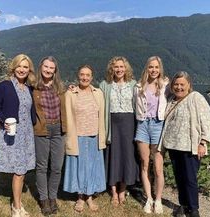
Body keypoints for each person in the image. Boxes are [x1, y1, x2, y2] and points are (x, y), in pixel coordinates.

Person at [158, 71, 210, 217]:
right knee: (179, 177)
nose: (179, 87)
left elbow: (206, 118)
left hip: (190, 147)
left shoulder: (196, 97)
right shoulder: (171, 100)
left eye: (182, 84)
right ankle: (183, 205)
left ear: (189, 85)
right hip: (173, 146)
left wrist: (203, 142)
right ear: (172, 86)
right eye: (176, 84)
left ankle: (193, 209)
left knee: (190, 178)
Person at [0, 54, 36, 217]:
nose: (22, 69)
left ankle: (17, 203)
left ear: (29, 69)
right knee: (19, 171)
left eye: (25, 67)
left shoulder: (29, 88)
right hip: (12, 133)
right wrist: (4, 121)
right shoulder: (4, 86)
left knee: (22, 170)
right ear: (13, 67)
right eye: (19, 66)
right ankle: (16, 208)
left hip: (26, 134)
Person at [63, 65, 106, 212]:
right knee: (80, 168)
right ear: (78, 76)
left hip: (94, 136)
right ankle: (80, 197)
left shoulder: (98, 93)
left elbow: (102, 116)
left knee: (92, 167)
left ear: (92, 77)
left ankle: (90, 196)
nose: (85, 78)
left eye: (88, 75)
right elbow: (67, 116)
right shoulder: (71, 94)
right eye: (82, 74)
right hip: (78, 136)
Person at [99, 56, 139, 206]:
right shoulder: (105, 85)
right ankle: (114, 191)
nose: (119, 69)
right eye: (116, 67)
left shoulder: (133, 85)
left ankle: (123, 190)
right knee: (112, 156)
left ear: (126, 68)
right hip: (112, 125)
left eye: (122, 67)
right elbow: (92, 93)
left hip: (129, 125)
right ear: (112, 69)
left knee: (127, 156)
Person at [134, 56, 168, 214]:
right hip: (142, 125)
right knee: (145, 163)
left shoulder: (166, 85)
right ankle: (149, 199)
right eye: (150, 67)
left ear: (160, 69)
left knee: (158, 166)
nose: (153, 70)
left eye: (156, 67)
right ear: (146, 68)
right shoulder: (139, 86)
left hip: (158, 125)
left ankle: (159, 199)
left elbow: (182, 92)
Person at [33, 56, 67, 216]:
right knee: (41, 166)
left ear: (55, 71)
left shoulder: (60, 87)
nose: (48, 70)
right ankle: (44, 199)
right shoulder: (33, 87)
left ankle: (53, 197)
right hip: (42, 129)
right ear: (41, 67)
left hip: (59, 130)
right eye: (45, 66)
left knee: (56, 167)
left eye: (51, 68)